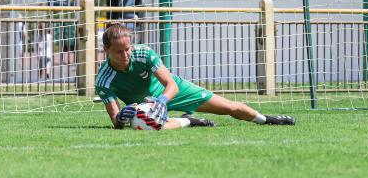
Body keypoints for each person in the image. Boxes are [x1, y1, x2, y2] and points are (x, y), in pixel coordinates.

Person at [96, 23, 295, 130]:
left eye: (127, 49)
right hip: (145, 106)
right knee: (154, 127)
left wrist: (163, 101)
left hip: (170, 93)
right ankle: (190, 121)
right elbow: (115, 120)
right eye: (119, 51)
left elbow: (171, 84)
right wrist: (122, 117)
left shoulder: (144, 53)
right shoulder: (103, 79)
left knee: (231, 107)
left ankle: (268, 119)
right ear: (106, 50)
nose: (125, 55)